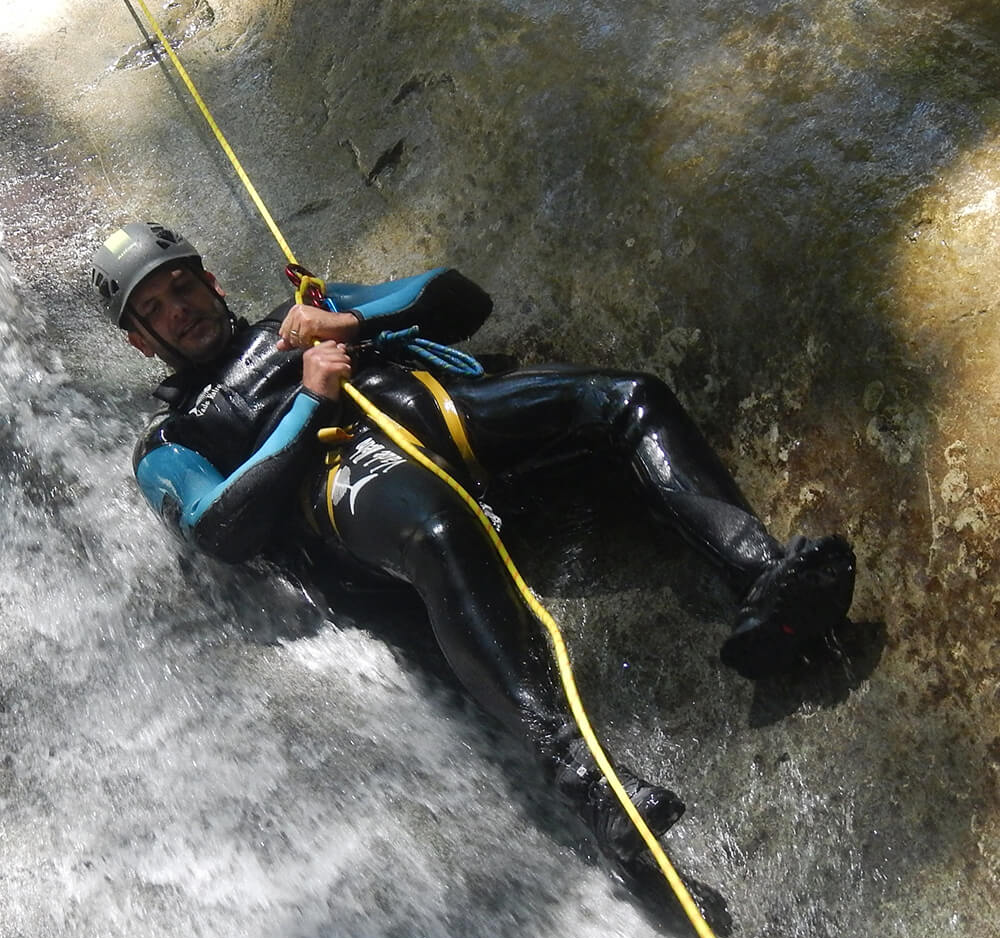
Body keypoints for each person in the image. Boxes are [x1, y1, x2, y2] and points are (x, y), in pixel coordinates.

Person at [90, 221, 856, 877]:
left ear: (211, 281)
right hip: (350, 489)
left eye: (182, 286)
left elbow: (458, 298)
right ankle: (585, 780)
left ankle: (765, 581)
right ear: (138, 341)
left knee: (627, 398)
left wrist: (346, 322)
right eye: (154, 310)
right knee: (436, 528)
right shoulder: (174, 438)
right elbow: (220, 527)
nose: (178, 309)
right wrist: (309, 401)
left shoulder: (305, 312)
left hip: (446, 417)